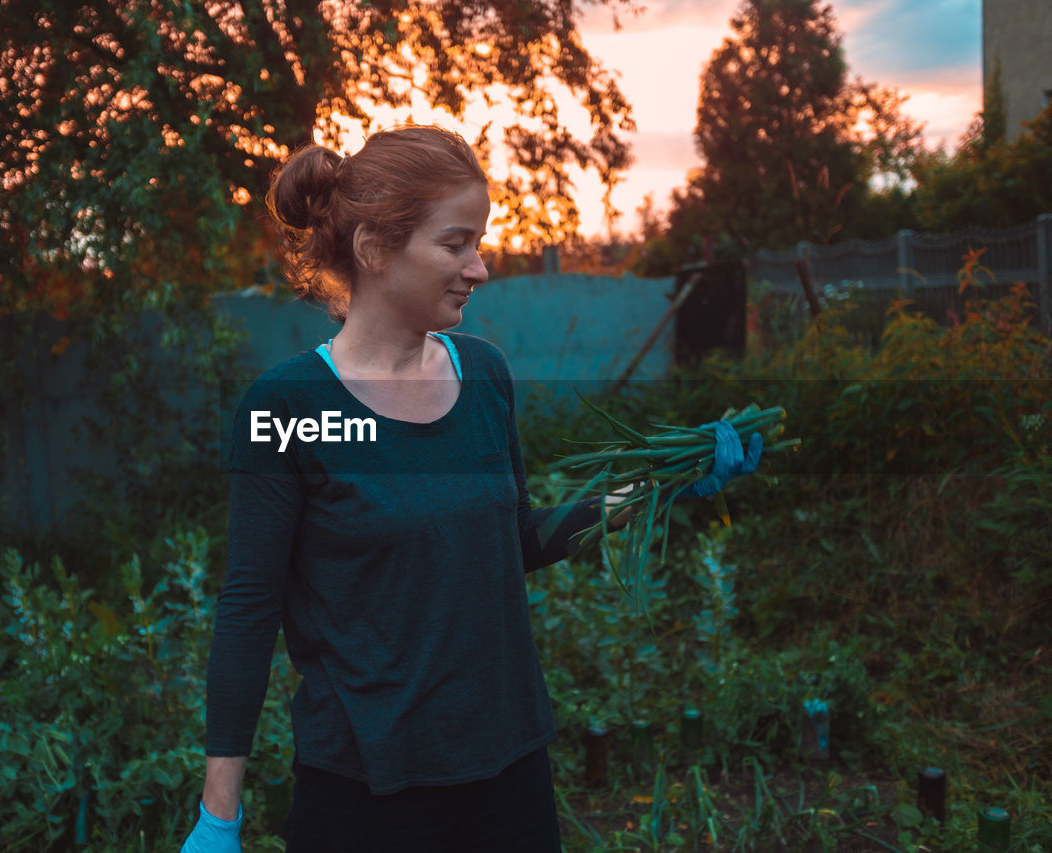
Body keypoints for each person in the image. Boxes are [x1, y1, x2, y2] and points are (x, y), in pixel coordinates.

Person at [181, 125, 759, 853]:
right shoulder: (289, 409)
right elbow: (248, 610)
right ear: (375, 250)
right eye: (455, 244)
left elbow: (516, 540)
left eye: (478, 243)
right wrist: (219, 814)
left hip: (507, 774)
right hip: (367, 793)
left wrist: (657, 484)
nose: (478, 268)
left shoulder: (483, 375)